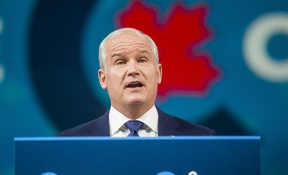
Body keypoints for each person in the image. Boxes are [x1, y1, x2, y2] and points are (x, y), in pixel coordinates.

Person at [59, 28, 215, 137]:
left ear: (158, 73)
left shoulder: (201, 139)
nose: (133, 70)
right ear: (103, 78)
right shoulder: (68, 144)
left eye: (142, 60)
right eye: (120, 62)